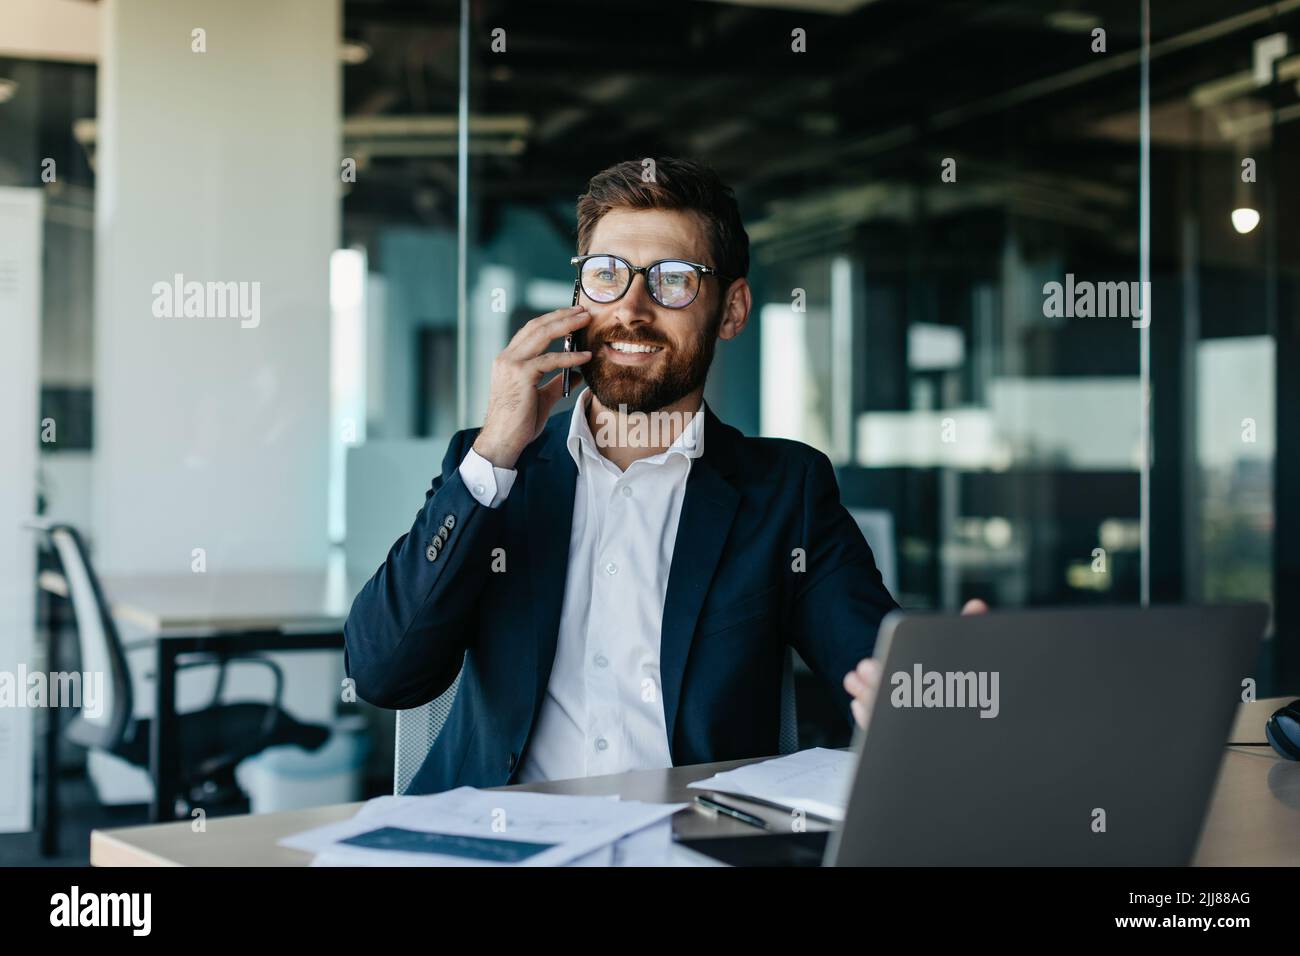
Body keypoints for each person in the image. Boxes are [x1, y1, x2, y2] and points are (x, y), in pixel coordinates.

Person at [344, 156, 968, 794]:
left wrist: (935, 682)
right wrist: (495, 452)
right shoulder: (496, 470)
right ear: (578, 298)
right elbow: (383, 674)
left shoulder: (785, 492)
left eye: (674, 279)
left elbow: (873, 669)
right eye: (606, 275)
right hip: (498, 842)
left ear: (733, 309)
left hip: (688, 844)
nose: (632, 309)